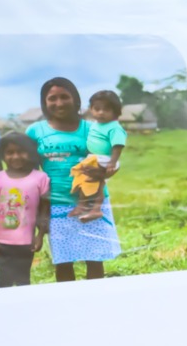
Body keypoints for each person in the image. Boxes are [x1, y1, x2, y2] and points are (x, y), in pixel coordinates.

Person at [27, 77, 120, 279]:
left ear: (75, 99)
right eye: (52, 98)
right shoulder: (35, 131)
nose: (58, 103)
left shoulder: (92, 129)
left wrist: (109, 170)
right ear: (44, 102)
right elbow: (31, 173)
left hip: (91, 202)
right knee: (63, 261)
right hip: (57, 203)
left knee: (95, 259)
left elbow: (108, 160)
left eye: (64, 97)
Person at [0, 132, 50, 287]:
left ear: (30, 153)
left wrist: (40, 235)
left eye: (21, 152)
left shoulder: (40, 178)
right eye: (10, 153)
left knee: (23, 280)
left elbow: (44, 210)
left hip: (26, 242)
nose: (16, 156)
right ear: (3, 155)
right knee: (3, 280)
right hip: (0, 242)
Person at [71, 90, 127, 223]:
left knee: (93, 181)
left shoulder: (114, 127)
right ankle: (86, 206)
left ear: (116, 111)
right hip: (95, 157)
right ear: (91, 109)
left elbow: (117, 146)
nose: (101, 113)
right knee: (89, 181)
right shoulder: (97, 124)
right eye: (97, 109)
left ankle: (92, 208)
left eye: (106, 110)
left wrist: (112, 163)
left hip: (105, 159)